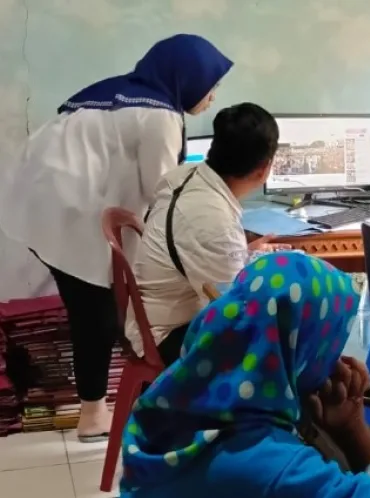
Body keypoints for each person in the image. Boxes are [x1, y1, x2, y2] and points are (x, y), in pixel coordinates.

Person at [0, 34, 232, 442]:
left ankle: (105, 403)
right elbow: (163, 194)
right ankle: (93, 414)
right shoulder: (159, 115)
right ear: (186, 78)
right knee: (95, 313)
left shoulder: (122, 92)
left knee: (98, 305)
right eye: (209, 85)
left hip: (43, 199)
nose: (212, 96)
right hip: (63, 210)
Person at [120, 252, 370, 498]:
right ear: (301, 353)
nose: (337, 363)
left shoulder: (170, 401)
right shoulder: (274, 468)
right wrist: (353, 429)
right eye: (330, 349)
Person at [125, 102, 281, 366]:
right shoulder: (212, 220)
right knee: (284, 336)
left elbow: (202, 249)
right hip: (167, 333)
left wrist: (243, 254)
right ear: (264, 169)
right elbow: (237, 310)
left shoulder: (188, 175)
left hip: (160, 312)